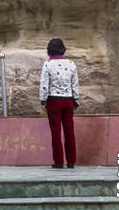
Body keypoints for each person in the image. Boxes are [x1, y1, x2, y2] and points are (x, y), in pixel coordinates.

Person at [39, 38, 80, 169]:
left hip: (54, 100)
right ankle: (71, 161)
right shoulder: (71, 64)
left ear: (49, 50)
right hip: (68, 100)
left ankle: (58, 161)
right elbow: (75, 84)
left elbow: (44, 84)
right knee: (69, 130)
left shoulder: (48, 65)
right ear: (63, 49)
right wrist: (76, 99)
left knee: (56, 131)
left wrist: (43, 100)